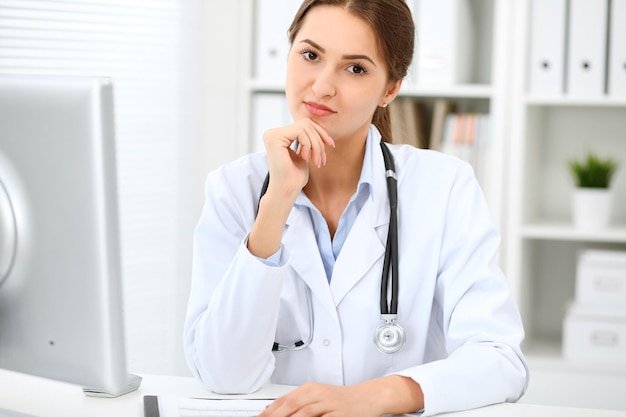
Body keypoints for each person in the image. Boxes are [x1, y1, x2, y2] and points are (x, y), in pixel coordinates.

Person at [184, 0, 529, 415]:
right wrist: (275, 205)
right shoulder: (234, 190)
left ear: (390, 88)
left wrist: (376, 395)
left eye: (356, 68)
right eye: (310, 55)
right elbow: (224, 375)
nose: (322, 86)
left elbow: (500, 359)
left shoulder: (445, 187)